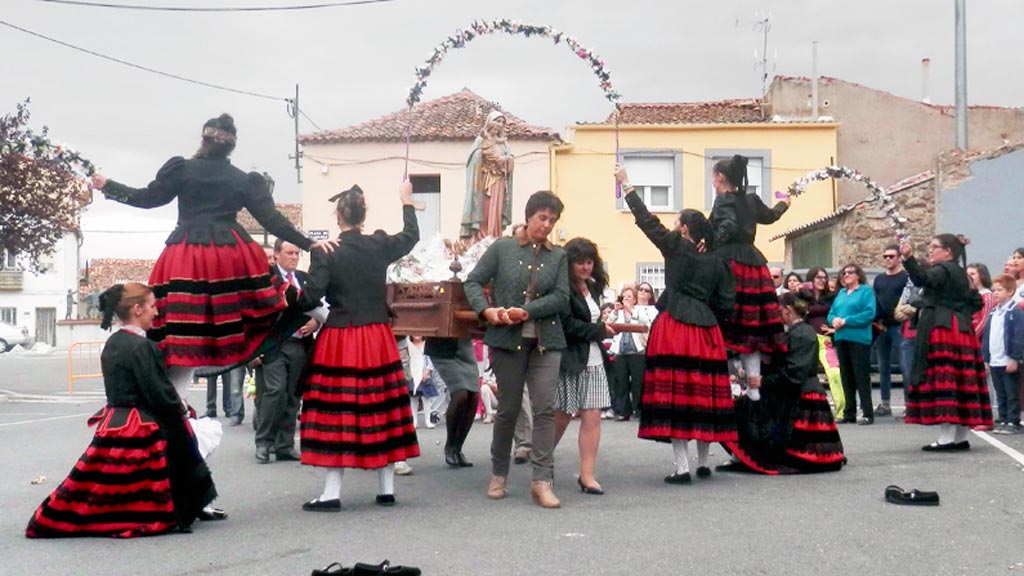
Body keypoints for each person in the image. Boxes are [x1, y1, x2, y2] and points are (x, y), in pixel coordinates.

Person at [90, 113, 335, 383]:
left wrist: (109, 186)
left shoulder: (182, 169)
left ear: (203, 140)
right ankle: (325, 314)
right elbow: (272, 220)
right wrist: (310, 243)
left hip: (186, 255)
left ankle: (179, 401)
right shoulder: (242, 179)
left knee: (181, 330)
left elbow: (148, 198)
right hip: (229, 255)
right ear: (231, 146)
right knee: (271, 297)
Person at [27, 283, 217, 537]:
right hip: (141, 424)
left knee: (97, 485)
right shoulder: (142, 346)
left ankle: (61, 517)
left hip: (115, 421)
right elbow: (157, 392)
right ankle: (176, 511)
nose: (156, 312)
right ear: (137, 309)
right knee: (151, 477)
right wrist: (180, 407)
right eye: (151, 306)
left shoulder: (113, 342)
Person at [297, 182, 420, 511]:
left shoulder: (326, 251)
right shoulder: (379, 245)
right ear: (363, 216)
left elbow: (309, 297)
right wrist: (406, 201)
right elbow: (410, 237)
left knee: (336, 412)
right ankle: (386, 489)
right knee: (381, 407)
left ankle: (331, 493)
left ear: (338, 217)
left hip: (340, 336)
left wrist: (292, 295)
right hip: (377, 335)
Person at [617, 165, 737, 484]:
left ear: (684, 229)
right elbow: (727, 302)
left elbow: (647, 222)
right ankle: (702, 463)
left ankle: (681, 467)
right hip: (707, 330)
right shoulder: (718, 261)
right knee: (704, 397)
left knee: (676, 397)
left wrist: (627, 186)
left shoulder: (676, 247)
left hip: (675, 326)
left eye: (677, 224)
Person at [465, 190, 569, 509]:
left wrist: (529, 311)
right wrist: (487, 311)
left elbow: (562, 297)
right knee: (508, 410)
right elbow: (472, 282)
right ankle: (499, 474)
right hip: (506, 341)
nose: (547, 225)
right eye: (542, 218)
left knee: (544, 410)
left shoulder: (558, 256)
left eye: (552, 220)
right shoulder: (502, 248)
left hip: (546, 342)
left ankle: (542, 481)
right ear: (529, 216)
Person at [721, 292, 846, 474]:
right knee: (743, 409)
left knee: (746, 412)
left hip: (800, 396)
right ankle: (742, 455)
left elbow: (795, 373)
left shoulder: (803, 333)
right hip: (790, 392)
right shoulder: (794, 332)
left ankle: (748, 455)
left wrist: (764, 381)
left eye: (778, 310)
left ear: (787, 310)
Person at [708, 154, 790, 402]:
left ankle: (725, 386)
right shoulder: (752, 200)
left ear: (720, 177)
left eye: (713, 177)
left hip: (729, 263)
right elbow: (770, 217)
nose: (713, 181)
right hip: (753, 264)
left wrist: (709, 244)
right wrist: (784, 204)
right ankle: (753, 388)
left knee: (725, 323)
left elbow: (728, 227)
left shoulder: (723, 201)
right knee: (751, 327)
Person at [900, 234, 992, 450]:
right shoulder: (961, 273)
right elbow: (975, 301)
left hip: (944, 329)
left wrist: (909, 258)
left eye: (934, 247)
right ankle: (959, 437)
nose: (930, 251)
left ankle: (946, 438)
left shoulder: (943, 269)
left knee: (946, 378)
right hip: (960, 328)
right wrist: (959, 312)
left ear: (948, 251)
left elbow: (923, 279)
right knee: (962, 381)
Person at [553, 237, 615, 495]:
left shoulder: (594, 287)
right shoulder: (563, 290)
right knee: (562, 416)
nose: (586, 267)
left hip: (593, 359)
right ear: (569, 263)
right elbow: (567, 326)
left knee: (592, 417)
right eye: (580, 262)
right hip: (571, 358)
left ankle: (587, 475)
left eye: (590, 262)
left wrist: (598, 331)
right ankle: (541, 460)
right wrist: (599, 330)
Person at [254, 239, 324, 464]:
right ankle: (264, 443)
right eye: (289, 253)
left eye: (296, 253)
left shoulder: (304, 279)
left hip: (299, 345)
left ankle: (284, 445)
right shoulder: (267, 279)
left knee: (294, 395)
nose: (294, 257)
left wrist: (316, 322)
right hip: (273, 345)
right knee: (275, 391)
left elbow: (318, 306)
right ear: (277, 255)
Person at [827, 264, 877, 424]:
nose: (846, 275)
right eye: (844, 273)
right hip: (842, 338)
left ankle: (867, 413)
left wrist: (847, 321)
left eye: (850, 272)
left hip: (859, 339)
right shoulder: (841, 293)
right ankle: (849, 412)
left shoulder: (865, 291)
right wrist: (833, 320)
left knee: (860, 375)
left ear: (858, 275)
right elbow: (831, 313)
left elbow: (869, 313)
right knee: (846, 376)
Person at [426, 337, 481, 468]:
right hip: (443, 349)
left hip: (464, 347)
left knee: (473, 397)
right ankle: (450, 445)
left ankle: (458, 447)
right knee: (460, 394)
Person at [461, 111, 514, 242]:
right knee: (484, 208)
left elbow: (510, 160)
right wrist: (482, 155)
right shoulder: (481, 140)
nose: (500, 125)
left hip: (499, 181)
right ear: (490, 123)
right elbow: (474, 157)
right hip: (483, 181)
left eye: (502, 122)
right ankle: (481, 236)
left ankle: (494, 235)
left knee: (495, 210)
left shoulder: (504, 144)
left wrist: (507, 160)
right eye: (497, 121)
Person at [981, 274, 1023, 435]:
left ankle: (1013, 420)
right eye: (994, 290)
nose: (995, 293)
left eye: (999, 290)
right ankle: (1003, 417)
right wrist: (986, 357)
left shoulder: (1015, 312)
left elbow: (1019, 336)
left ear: (1011, 291)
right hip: (995, 359)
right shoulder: (994, 312)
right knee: (1001, 392)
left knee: (1012, 392)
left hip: (1008, 360)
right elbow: (988, 336)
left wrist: (1014, 357)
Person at [801, 267, 845, 416]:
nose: (822, 280)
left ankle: (841, 410)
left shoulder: (831, 297)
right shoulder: (804, 298)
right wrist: (800, 291)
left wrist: (834, 330)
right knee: (805, 375)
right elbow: (796, 313)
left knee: (834, 373)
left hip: (825, 341)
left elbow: (840, 314)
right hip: (807, 341)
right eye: (818, 277)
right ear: (811, 279)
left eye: (824, 277)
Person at [872, 244, 910, 416]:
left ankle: (909, 404)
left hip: (900, 326)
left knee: (904, 365)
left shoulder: (905, 277)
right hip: (882, 327)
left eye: (891, 256)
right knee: (883, 367)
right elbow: (875, 302)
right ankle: (885, 403)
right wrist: (876, 322)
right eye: (885, 256)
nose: (888, 259)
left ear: (899, 258)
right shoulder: (879, 279)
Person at [608, 285, 654, 420]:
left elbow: (645, 322)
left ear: (634, 299)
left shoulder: (639, 310)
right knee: (621, 382)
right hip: (620, 351)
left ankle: (638, 410)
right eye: (624, 296)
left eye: (629, 297)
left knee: (637, 382)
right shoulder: (618, 312)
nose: (626, 299)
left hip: (637, 351)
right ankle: (623, 411)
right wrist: (615, 312)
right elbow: (608, 322)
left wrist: (631, 311)